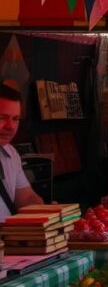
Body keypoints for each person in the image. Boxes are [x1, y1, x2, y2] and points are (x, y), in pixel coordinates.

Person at [0, 84, 44, 222]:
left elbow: (25, 198)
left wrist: (46, 212)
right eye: (1, 117)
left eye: (15, 119)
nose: (10, 127)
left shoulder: (10, 153)